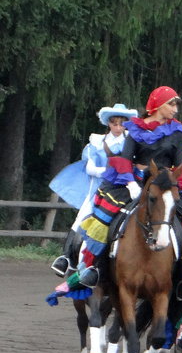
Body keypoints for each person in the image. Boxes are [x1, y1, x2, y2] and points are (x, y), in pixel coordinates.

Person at [73, 86, 182, 294]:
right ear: (158, 106)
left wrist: (163, 176)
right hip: (133, 182)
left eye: (176, 104)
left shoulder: (177, 132)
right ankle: (93, 267)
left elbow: (181, 165)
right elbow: (125, 159)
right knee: (104, 215)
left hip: (165, 186)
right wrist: (131, 182)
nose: (175, 109)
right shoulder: (135, 129)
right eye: (172, 104)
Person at [50, 102, 138, 276]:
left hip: (125, 191)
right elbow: (90, 168)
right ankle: (67, 258)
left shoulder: (132, 143)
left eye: (121, 123)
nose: (118, 127)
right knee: (80, 218)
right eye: (114, 123)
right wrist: (110, 172)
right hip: (99, 190)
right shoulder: (97, 143)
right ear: (109, 124)